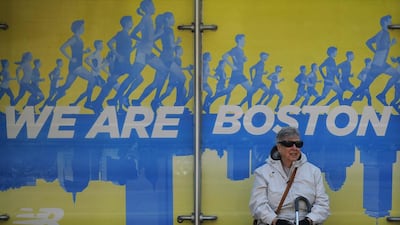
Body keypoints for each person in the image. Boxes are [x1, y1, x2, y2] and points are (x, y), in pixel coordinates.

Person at [249, 127, 330, 225]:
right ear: (279, 147)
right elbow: (257, 205)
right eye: (289, 144)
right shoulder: (263, 172)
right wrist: (275, 221)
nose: (294, 148)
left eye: (298, 144)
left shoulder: (314, 171)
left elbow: (323, 204)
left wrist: (309, 220)